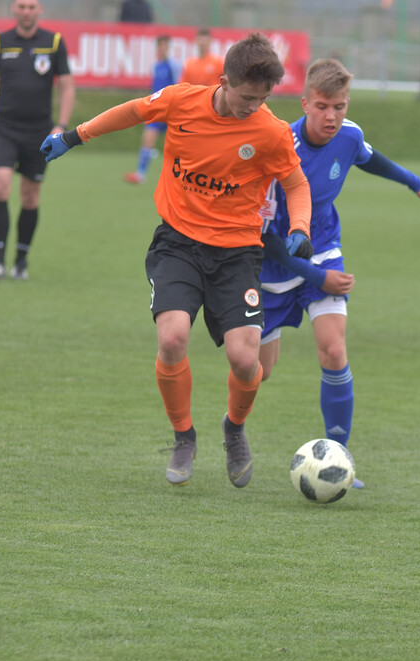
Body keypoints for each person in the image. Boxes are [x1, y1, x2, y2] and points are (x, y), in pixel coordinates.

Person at [40, 32, 313, 489]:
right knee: (172, 339)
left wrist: (300, 227)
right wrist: (75, 136)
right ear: (224, 81)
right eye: (248, 97)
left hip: (238, 252)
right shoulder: (181, 101)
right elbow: (133, 111)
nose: (254, 106)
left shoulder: (269, 130)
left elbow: (296, 184)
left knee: (249, 363)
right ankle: (184, 436)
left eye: (263, 98)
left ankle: (234, 429)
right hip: (178, 243)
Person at [258, 58, 420, 489]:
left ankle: (338, 454)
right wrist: (314, 277)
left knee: (333, 351)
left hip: (323, 249)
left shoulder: (349, 134)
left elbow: (370, 159)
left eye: (339, 106)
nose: (331, 116)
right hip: (273, 264)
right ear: (305, 103)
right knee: (259, 372)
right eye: (323, 106)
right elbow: (264, 236)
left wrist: (416, 184)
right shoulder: (277, 146)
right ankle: (234, 427)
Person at [0, 0, 74, 281]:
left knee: (30, 195)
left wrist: (61, 126)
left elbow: (66, 87)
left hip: (39, 133)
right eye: (21, 6)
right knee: (0, 186)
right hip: (3, 128)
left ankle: (21, 260)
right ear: (12, 9)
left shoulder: (54, 43)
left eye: (31, 6)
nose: (26, 11)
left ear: (40, 9)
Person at [123, 35, 180, 184]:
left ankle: (183, 178)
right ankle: (140, 174)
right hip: (157, 109)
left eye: (165, 46)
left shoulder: (174, 65)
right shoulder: (156, 66)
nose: (162, 49)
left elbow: (180, 84)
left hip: (173, 110)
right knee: (147, 139)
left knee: (179, 145)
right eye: (160, 46)